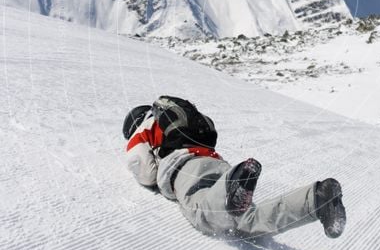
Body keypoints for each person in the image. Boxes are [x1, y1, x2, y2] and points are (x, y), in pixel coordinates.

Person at [123, 96, 346, 240]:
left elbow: (144, 170)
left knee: (207, 214)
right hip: (216, 163)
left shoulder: (143, 128)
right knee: (246, 220)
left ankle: (231, 191)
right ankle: (317, 199)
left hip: (183, 167)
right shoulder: (178, 120)